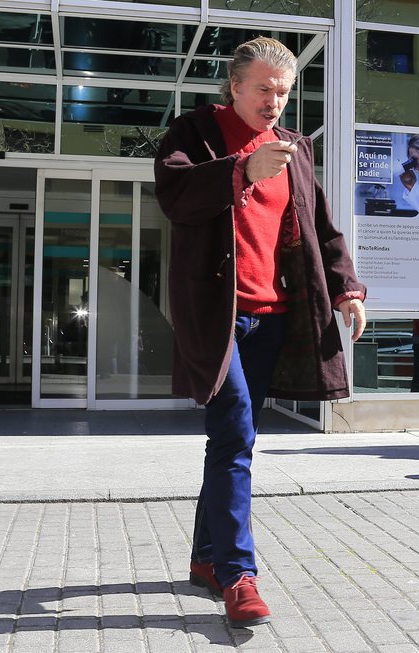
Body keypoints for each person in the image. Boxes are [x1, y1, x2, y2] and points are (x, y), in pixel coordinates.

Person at [154, 37, 366, 628]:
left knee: (233, 438)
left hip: (274, 316)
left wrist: (347, 288)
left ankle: (205, 556)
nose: (275, 101)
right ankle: (238, 574)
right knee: (236, 431)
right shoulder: (194, 133)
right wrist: (242, 169)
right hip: (218, 313)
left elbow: (320, 223)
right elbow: (174, 196)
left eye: (284, 92)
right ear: (235, 86)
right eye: (264, 89)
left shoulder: (294, 147)